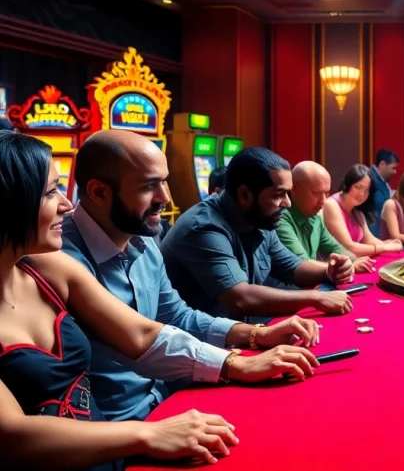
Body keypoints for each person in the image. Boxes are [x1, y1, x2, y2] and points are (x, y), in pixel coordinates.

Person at [0, 131, 318, 469]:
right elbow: (12, 436)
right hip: (103, 438)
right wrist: (147, 434)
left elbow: (143, 334)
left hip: (138, 420)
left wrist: (241, 354)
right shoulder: (65, 253)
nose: (66, 203)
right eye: (51, 192)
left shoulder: (47, 265)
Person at [57, 131, 323, 422]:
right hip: (115, 424)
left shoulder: (143, 237)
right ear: (98, 192)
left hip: (167, 395)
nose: (166, 198)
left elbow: (175, 315)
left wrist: (256, 334)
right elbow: (141, 337)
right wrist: (235, 363)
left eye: (164, 181)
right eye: (149, 186)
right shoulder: (59, 258)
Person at [161, 147, 355, 322]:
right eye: (278, 194)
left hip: (235, 334)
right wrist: (317, 298)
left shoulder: (260, 219)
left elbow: (292, 267)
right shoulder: (203, 228)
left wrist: (329, 271)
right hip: (194, 348)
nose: (287, 203)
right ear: (244, 195)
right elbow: (240, 298)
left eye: (287, 194)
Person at [277, 161, 373, 273]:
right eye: (317, 193)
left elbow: (336, 248)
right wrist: (346, 266)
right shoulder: (280, 218)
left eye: (326, 194)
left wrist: (353, 260)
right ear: (294, 189)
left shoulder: (315, 217)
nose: (323, 201)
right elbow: (302, 263)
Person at [324, 164, 403, 256]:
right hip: (330, 265)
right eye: (358, 187)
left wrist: (389, 244)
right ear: (346, 185)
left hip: (352, 262)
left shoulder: (357, 211)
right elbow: (348, 247)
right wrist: (385, 247)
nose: (362, 194)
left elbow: (369, 240)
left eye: (366, 190)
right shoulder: (331, 205)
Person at [368, 149, 400, 236]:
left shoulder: (382, 181)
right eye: (393, 168)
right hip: (373, 233)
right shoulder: (369, 179)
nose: (395, 172)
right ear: (382, 164)